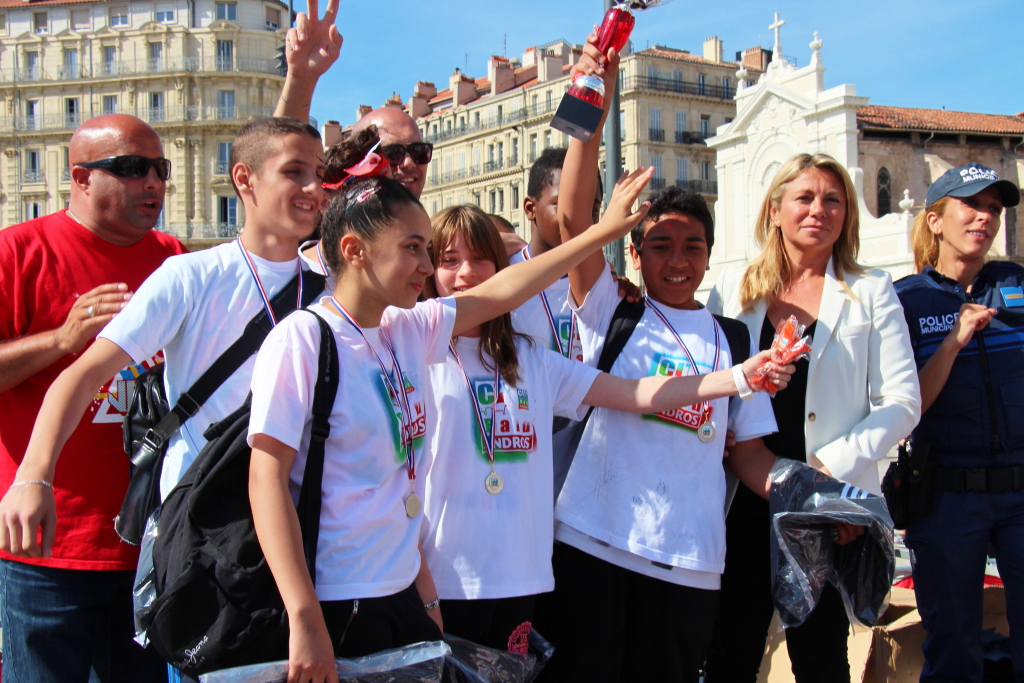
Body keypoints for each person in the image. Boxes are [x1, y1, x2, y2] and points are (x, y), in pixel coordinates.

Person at [247, 167, 654, 683]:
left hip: (400, 596)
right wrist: (304, 617)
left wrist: (601, 233)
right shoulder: (302, 338)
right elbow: (266, 481)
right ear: (354, 250)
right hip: (337, 597)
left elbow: (504, 290)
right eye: (414, 248)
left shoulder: (405, 331)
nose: (425, 265)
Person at [536, 35, 831, 683]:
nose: (677, 259)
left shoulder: (732, 338)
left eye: (692, 246)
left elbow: (749, 453)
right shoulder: (611, 307)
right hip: (595, 544)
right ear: (634, 252)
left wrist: (827, 497)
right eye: (660, 244)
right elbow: (575, 216)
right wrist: (594, 95)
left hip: (693, 561)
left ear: (707, 254)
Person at [419, 205, 793, 653]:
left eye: (482, 259)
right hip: (441, 582)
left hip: (521, 582)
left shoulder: (534, 361)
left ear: (502, 269)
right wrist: (422, 592)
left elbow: (634, 393)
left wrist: (739, 377)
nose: (467, 274)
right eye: (449, 260)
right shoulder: (412, 347)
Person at [0, 117, 325, 569]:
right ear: (243, 180)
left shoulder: (330, 290)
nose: (314, 187)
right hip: (198, 531)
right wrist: (33, 477)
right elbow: (83, 373)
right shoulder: (189, 274)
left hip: (304, 525)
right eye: (295, 172)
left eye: (159, 169)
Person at [704, 153, 922, 682]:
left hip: (827, 511)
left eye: (833, 200)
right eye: (804, 197)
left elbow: (902, 401)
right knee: (731, 654)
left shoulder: (871, 290)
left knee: (822, 660)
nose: (818, 210)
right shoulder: (730, 289)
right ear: (774, 209)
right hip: (742, 501)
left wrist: (831, 478)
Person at [0, 114, 186, 682]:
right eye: (131, 169)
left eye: (160, 169)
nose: (152, 183)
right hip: (47, 546)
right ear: (80, 178)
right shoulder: (19, 250)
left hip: (151, 545)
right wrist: (61, 339)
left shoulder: (174, 258)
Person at [893, 163, 1023, 681]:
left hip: (1020, 492)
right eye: (971, 205)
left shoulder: (1016, 285)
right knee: (954, 653)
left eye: (993, 208)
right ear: (934, 221)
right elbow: (906, 410)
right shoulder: (904, 300)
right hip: (947, 499)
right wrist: (954, 341)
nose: (985, 218)